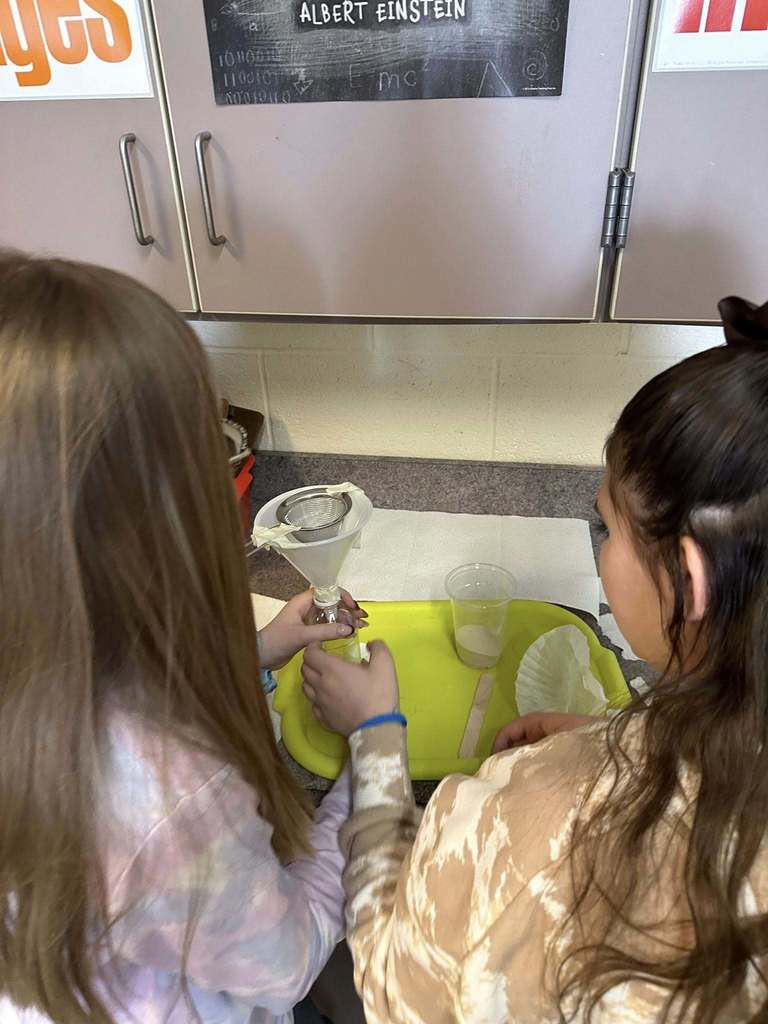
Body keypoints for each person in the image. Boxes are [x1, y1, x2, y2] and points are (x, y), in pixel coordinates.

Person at [302, 295, 768, 1023]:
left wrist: (375, 737)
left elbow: (393, 981)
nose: (602, 548)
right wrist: (610, 737)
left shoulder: (539, 838)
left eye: (605, 524)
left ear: (690, 577)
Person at [0, 251, 366, 1024]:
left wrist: (256, 657)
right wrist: (374, 752)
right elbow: (289, 960)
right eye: (213, 447)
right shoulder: (171, 800)